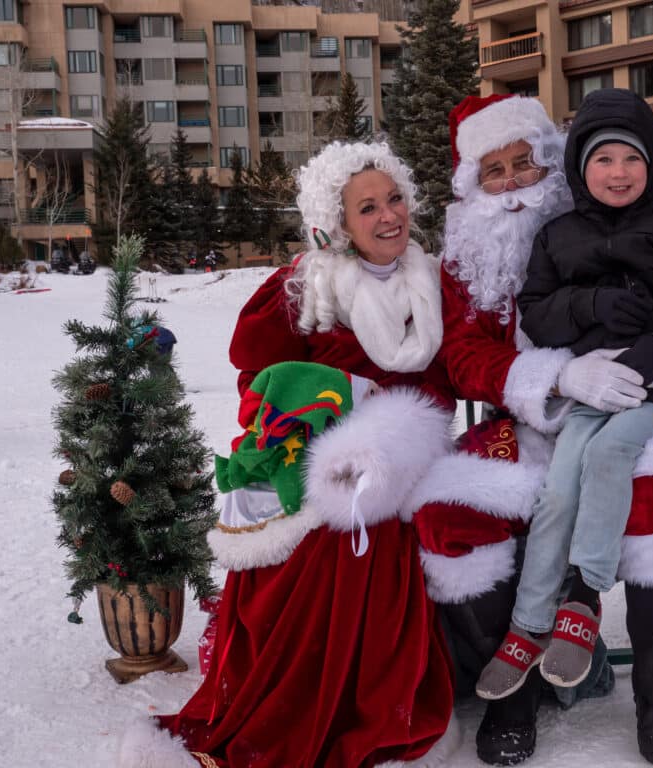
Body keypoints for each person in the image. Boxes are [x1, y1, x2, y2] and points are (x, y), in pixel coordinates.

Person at [406, 94, 653, 767]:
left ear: (553, 166)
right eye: (492, 171)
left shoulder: (595, 210)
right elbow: (463, 356)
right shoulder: (463, 263)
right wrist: (557, 379)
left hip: (635, 405)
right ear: (473, 184)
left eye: (522, 164)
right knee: (448, 513)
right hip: (530, 421)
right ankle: (519, 683)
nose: (509, 186)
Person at [120, 142, 460, 768]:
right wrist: (307, 428)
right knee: (313, 542)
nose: (389, 217)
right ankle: (285, 709)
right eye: (368, 208)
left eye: (394, 200)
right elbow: (257, 385)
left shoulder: (432, 283)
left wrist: (389, 433)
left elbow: (446, 385)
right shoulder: (304, 285)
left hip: (402, 461)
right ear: (335, 221)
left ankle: (356, 704)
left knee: (364, 535)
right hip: (306, 458)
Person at [475, 89, 653, 704]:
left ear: (652, 165)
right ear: (579, 168)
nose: (617, 173)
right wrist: (589, 305)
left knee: (608, 457)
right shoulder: (557, 235)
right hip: (590, 385)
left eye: (631, 159)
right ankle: (528, 625)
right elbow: (535, 315)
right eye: (603, 160)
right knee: (560, 484)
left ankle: (585, 596)